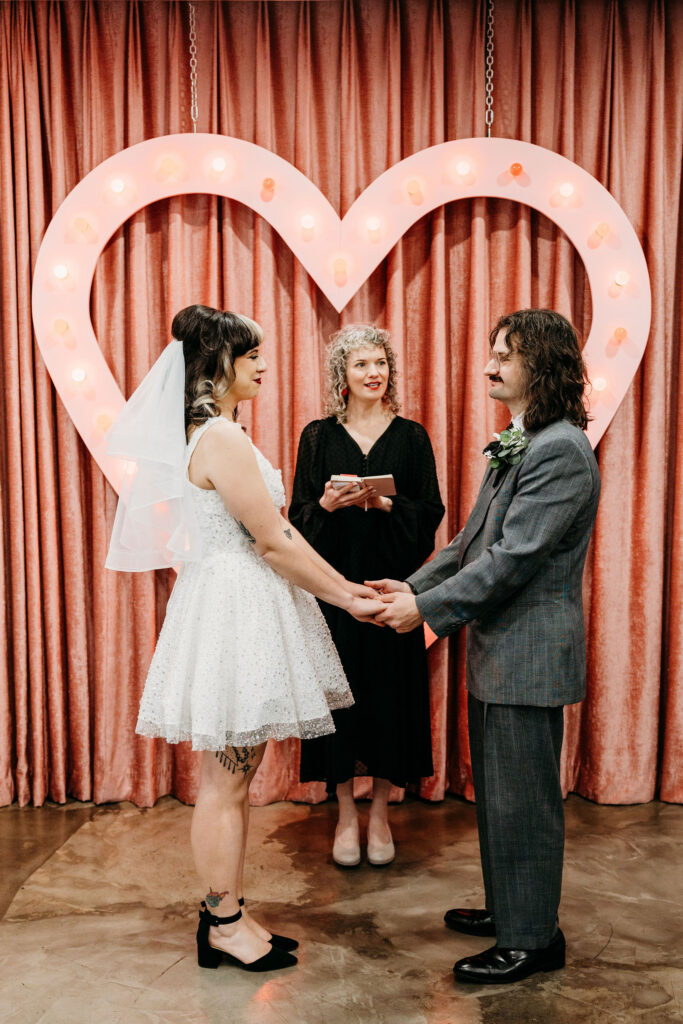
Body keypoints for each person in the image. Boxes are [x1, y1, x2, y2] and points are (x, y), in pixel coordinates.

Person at [105, 305, 382, 973]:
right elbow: (275, 540)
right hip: (235, 609)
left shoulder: (218, 430)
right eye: (252, 355)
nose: (262, 365)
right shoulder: (220, 439)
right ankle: (222, 924)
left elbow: (277, 539)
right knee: (226, 783)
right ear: (220, 365)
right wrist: (347, 596)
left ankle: (225, 910)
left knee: (234, 776)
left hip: (236, 602)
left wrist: (342, 592)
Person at [370, 308, 601, 984]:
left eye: (503, 353)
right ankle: (511, 909)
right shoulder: (522, 439)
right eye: (490, 351)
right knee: (499, 795)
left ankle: (531, 939)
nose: (488, 365)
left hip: (527, 655)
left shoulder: (559, 448)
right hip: (499, 650)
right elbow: (470, 546)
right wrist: (406, 588)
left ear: (541, 363)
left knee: (524, 801)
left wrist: (426, 611)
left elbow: (513, 559)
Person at [289, 324, 444, 867]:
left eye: (380, 363)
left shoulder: (413, 436)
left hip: (390, 596)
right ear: (342, 376)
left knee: (389, 704)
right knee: (339, 707)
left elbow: (430, 517)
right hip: (333, 596)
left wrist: (384, 506)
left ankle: (379, 813)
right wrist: (329, 505)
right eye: (360, 364)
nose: (373, 372)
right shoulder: (317, 436)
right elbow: (295, 523)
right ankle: (345, 815)